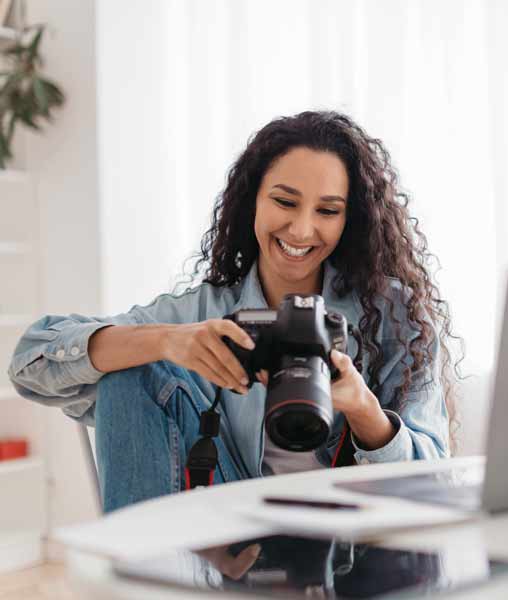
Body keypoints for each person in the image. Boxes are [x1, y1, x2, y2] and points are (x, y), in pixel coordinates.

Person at [7, 111, 459, 512]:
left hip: (355, 535)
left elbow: (436, 482)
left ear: (349, 219)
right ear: (253, 202)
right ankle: (146, 577)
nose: (302, 229)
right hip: (233, 530)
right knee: (131, 367)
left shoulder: (394, 316)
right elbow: (30, 362)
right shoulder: (206, 312)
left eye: (328, 210)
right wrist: (168, 341)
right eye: (284, 202)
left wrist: (363, 410)